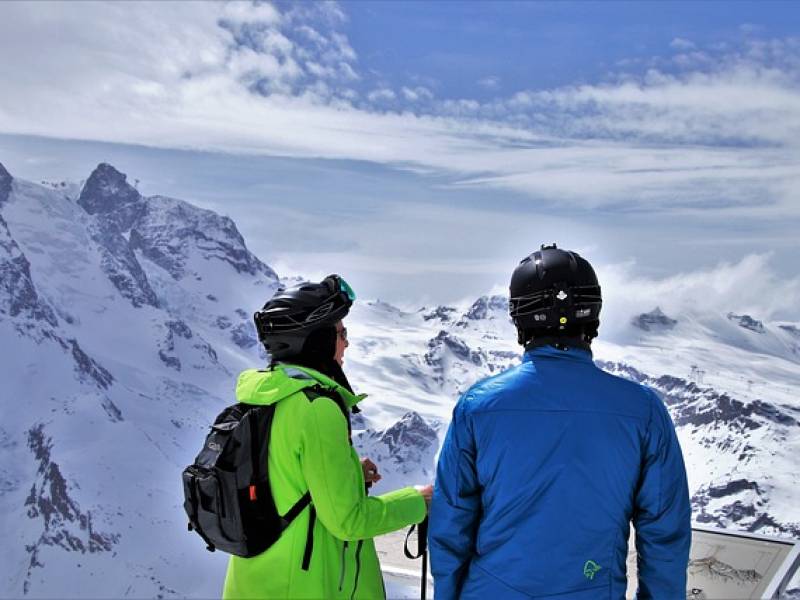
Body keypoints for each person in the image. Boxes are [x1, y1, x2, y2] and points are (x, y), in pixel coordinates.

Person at [429, 244, 691, 599]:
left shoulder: (477, 407)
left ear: (519, 317)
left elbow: (452, 524)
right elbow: (665, 532)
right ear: (593, 314)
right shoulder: (643, 410)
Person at [223, 274, 433, 599]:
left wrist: (347, 473)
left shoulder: (267, 395)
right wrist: (418, 502)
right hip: (305, 588)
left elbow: (283, 479)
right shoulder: (317, 408)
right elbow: (349, 521)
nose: (346, 343)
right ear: (316, 340)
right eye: (340, 332)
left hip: (256, 583)